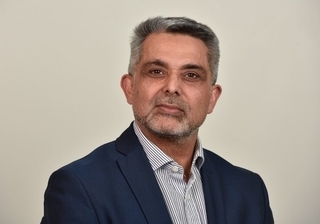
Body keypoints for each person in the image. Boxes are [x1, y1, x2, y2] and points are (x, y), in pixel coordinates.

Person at [41, 16, 274, 224]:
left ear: (212, 98)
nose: (172, 87)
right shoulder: (79, 186)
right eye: (156, 72)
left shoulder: (249, 191)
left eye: (191, 75)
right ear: (130, 88)